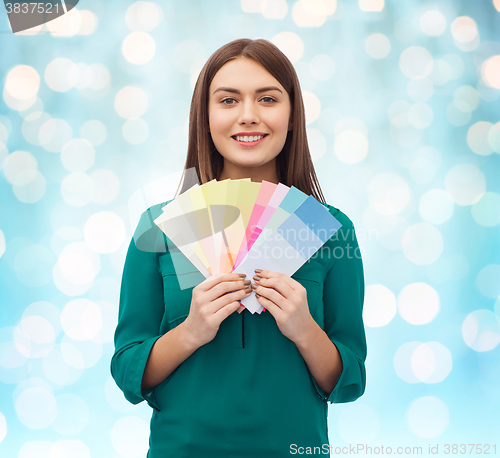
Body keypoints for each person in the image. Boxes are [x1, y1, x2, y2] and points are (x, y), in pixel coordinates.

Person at [111, 38, 367, 458]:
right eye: (228, 100)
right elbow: (127, 371)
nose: (248, 115)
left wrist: (305, 330)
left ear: (292, 115)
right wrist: (191, 331)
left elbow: (349, 380)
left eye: (268, 98)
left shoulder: (329, 231)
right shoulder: (159, 228)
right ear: (205, 117)